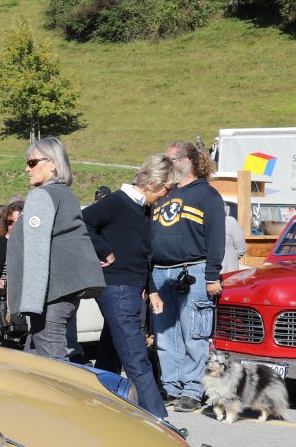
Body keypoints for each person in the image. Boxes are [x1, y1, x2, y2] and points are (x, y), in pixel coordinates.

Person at [83, 155, 175, 419]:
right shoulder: (117, 202)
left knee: (110, 355)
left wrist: (152, 289)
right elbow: (82, 221)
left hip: (131, 288)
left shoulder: (143, 208)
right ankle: (159, 420)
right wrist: (104, 251)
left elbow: (141, 253)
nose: (167, 195)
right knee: (136, 357)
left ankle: (101, 411)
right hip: (118, 288)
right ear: (153, 182)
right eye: (167, 189)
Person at [5, 137, 104, 361]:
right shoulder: (65, 193)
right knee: (35, 356)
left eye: (32, 163)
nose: (27, 169)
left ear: (51, 164)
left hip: (51, 293)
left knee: (52, 360)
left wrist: (30, 304)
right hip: (63, 289)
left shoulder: (42, 195)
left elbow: (37, 251)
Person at [150, 141, 227, 413]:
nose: (165, 164)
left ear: (187, 161)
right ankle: (170, 386)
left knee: (194, 334)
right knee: (164, 335)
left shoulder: (207, 195)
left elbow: (216, 238)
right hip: (160, 272)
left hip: (193, 270)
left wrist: (212, 275)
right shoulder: (163, 193)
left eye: (169, 159)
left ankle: (193, 389)